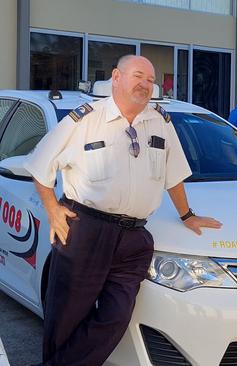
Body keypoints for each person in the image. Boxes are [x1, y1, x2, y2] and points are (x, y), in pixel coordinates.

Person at [24, 55, 222, 366]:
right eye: (138, 76)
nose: (145, 84)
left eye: (150, 79)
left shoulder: (161, 122)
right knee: (66, 318)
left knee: (116, 317)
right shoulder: (85, 119)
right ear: (116, 77)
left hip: (134, 238)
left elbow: (174, 175)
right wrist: (52, 209)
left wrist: (187, 214)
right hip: (85, 230)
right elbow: (40, 166)